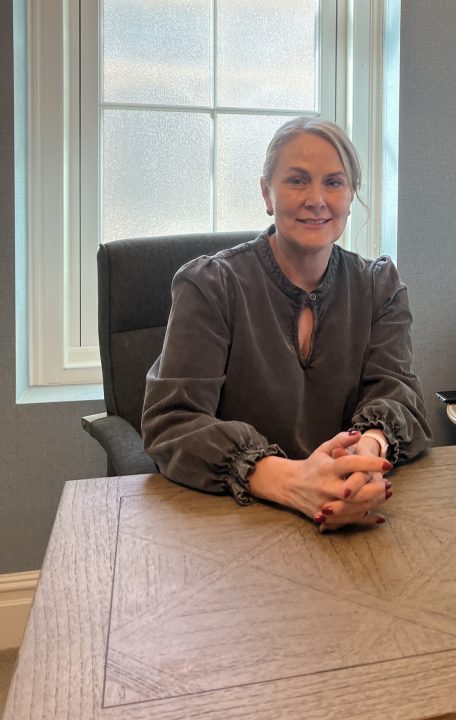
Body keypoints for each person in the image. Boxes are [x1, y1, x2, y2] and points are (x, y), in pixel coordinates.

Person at [141, 116, 431, 531]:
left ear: (351, 196)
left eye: (334, 182)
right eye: (297, 180)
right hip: (233, 519)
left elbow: (400, 395)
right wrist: (292, 481)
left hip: (352, 510)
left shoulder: (379, 287)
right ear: (266, 192)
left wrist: (364, 457)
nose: (317, 199)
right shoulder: (211, 284)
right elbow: (173, 422)